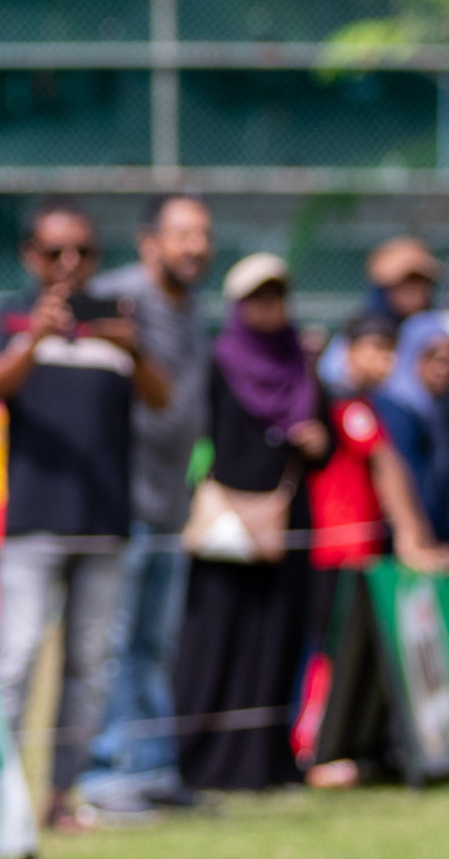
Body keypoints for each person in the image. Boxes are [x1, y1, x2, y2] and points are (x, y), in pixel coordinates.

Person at [0, 197, 170, 830]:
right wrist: (34, 340)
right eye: (55, 252)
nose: (70, 264)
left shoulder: (119, 319)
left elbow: (162, 400)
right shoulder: (10, 318)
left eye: (83, 252)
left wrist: (133, 349)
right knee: (18, 657)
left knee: (90, 670)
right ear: (31, 256)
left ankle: (59, 799)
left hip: (106, 524)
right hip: (32, 523)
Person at [174, 253, 331, 791]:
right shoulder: (218, 359)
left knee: (277, 640)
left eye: (277, 296)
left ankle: (265, 763)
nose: (270, 308)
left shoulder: (301, 362)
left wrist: (316, 442)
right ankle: (203, 761)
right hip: (225, 524)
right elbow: (194, 434)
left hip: (285, 522)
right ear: (240, 304)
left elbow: (325, 440)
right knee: (214, 639)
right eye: (258, 297)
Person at [79, 193, 213, 817]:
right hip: (119, 503)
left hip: (169, 503)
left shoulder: (192, 306)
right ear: (149, 242)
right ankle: (105, 777)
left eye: (203, 234)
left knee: (154, 645)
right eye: (182, 234)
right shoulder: (116, 297)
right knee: (115, 641)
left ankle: (153, 771)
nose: (196, 246)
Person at [298, 312, 449, 788]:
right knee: (323, 653)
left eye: (389, 351)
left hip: (359, 548)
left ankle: (345, 748)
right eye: (372, 350)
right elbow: (386, 465)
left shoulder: (368, 402)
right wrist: (412, 535)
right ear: (347, 351)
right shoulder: (343, 401)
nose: (382, 361)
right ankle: (311, 749)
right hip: (333, 548)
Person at [318, 236, 440, 394]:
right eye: (406, 283)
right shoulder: (365, 329)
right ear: (385, 288)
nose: (415, 291)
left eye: (421, 283)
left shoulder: (433, 328)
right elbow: (332, 373)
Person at [373, 311, 449, 544]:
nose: (441, 369)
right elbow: (403, 477)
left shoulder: (434, 407)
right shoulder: (395, 408)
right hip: (409, 539)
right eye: (432, 358)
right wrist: (417, 534)